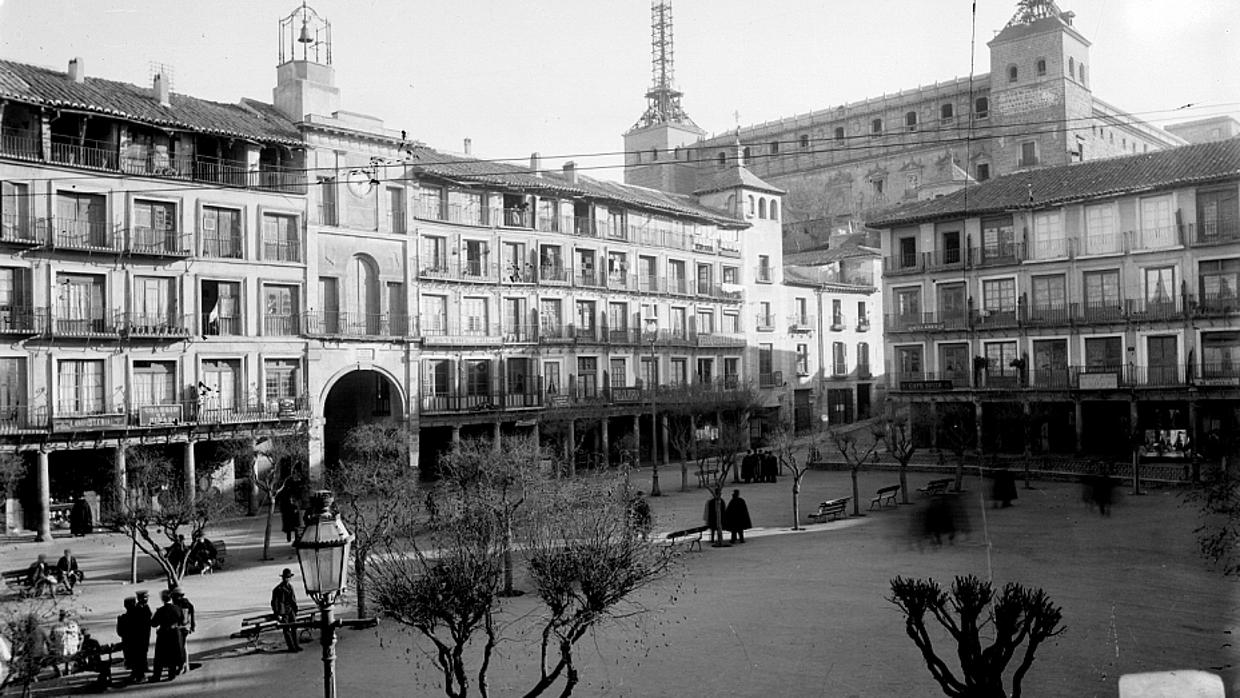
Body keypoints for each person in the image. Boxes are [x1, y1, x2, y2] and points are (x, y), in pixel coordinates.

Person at [149, 590, 184, 682]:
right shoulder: (177, 608)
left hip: (163, 634)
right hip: (174, 634)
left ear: (162, 599)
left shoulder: (160, 610)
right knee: (172, 654)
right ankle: (171, 675)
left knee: (160, 657)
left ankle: (157, 676)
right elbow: (182, 620)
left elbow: (154, 624)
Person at [117, 596, 149, 683]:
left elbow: (120, 632)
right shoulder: (140, 616)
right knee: (139, 658)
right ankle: (139, 674)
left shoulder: (123, 618)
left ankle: (136, 674)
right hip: (140, 642)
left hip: (128, 643)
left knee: (132, 658)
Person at [271, 568, 302, 653]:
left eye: (288, 577)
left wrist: (295, 610)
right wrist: (277, 614)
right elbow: (275, 603)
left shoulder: (290, 587)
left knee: (294, 628)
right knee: (287, 630)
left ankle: (296, 645)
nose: (287, 579)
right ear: (283, 578)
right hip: (283, 612)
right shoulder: (278, 589)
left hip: (291, 611)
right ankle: (291, 647)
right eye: (285, 577)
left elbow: (293, 599)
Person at [49, 610, 81, 677]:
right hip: (72, 647)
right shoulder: (74, 625)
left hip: (61, 648)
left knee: (61, 657)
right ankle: (68, 670)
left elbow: (51, 638)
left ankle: (62, 671)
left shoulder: (56, 626)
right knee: (70, 657)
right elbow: (79, 635)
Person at [170, 587, 195, 674]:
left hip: (182, 628)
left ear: (178, 596)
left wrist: (176, 625)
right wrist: (192, 625)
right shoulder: (187, 603)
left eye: (173, 597)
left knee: (182, 648)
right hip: (185, 628)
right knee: (184, 647)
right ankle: (185, 665)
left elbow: (183, 620)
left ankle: (183, 666)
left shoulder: (183, 604)